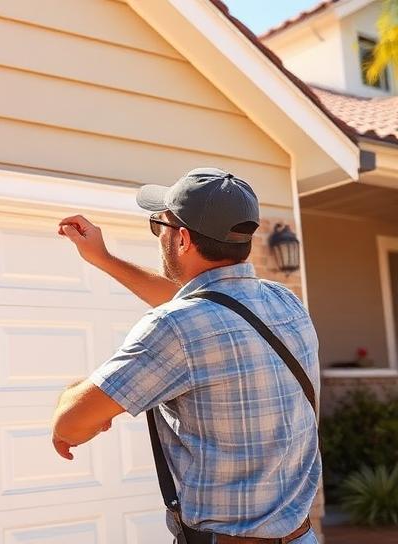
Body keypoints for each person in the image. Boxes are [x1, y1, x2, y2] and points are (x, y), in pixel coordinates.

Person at [52, 167, 320, 544]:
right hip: (301, 536)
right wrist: (104, 258)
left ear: (182, 239)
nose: (158, 234)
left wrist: (77, 390)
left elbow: (70, 423)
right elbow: (208, 305)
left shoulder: (176, 328)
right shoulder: (284, 302)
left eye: (157, 224)